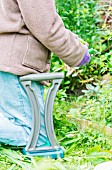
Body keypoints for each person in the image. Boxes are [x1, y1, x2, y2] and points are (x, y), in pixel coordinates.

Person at [0, 0, 90, 147]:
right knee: (35, 138)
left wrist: (75, 42)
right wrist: (77, 53)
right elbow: (46, 27)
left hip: (9, 59)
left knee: (21, 126)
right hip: (18, 62)